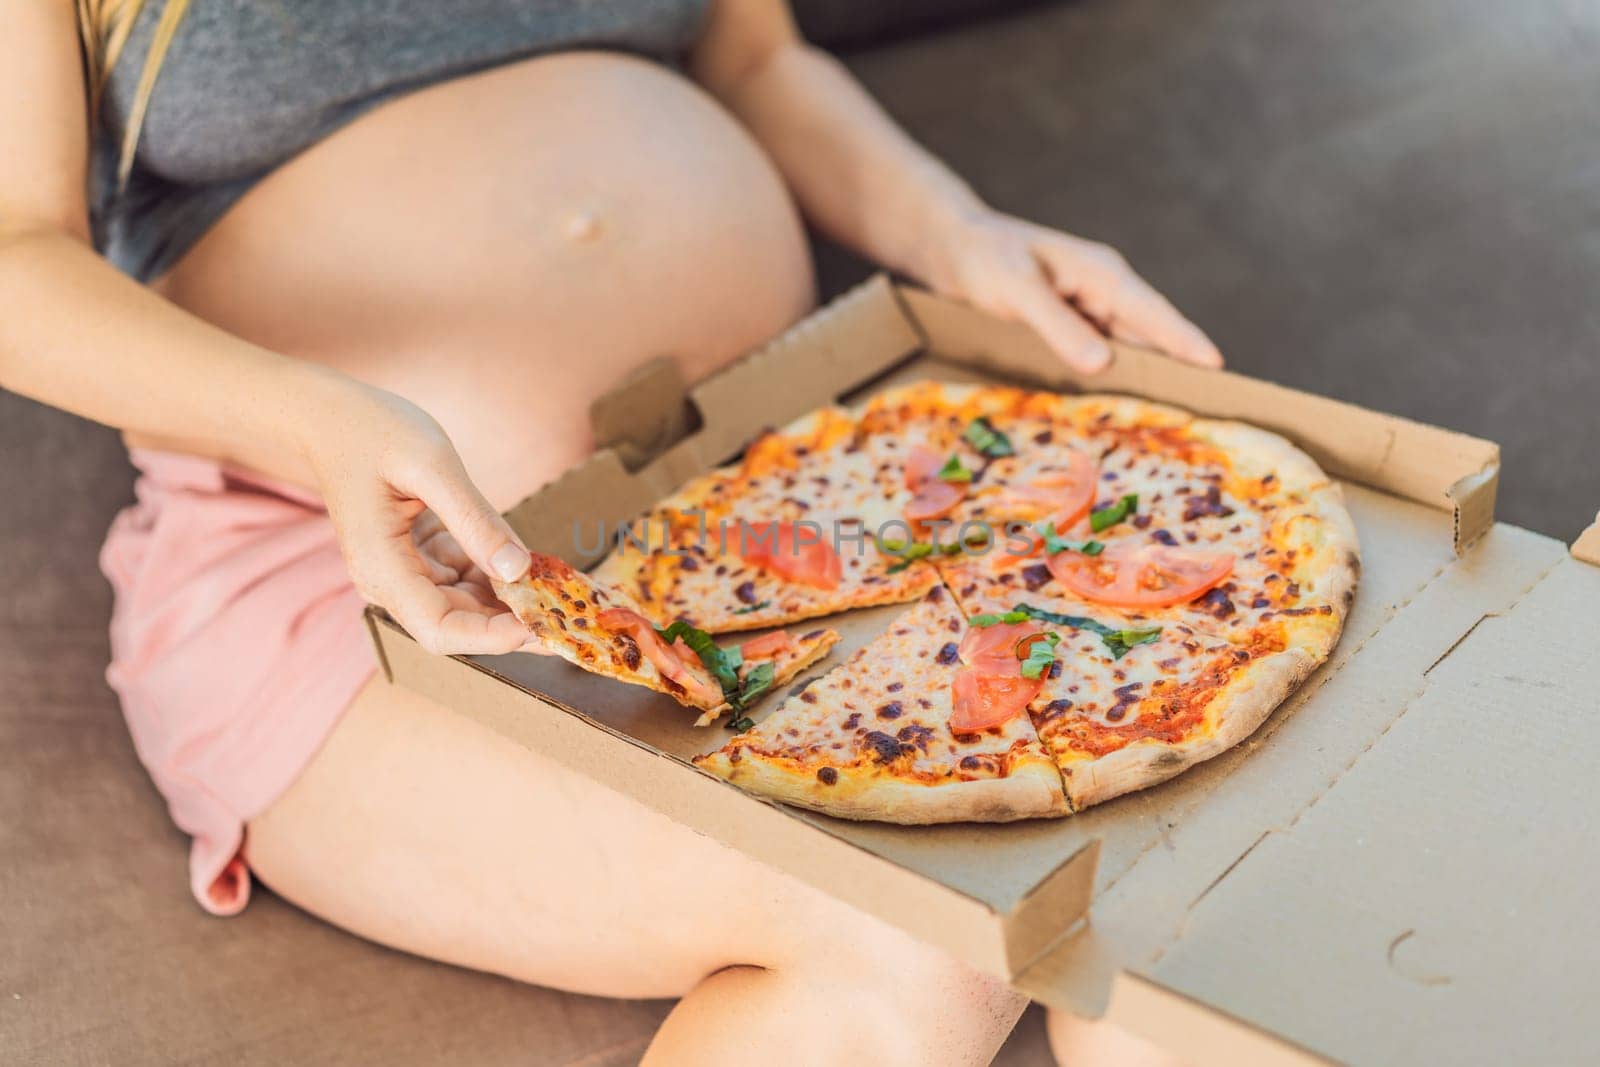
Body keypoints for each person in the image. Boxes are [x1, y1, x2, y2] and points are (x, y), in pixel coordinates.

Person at [1, 1, 1220, 1062]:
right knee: (915, 928)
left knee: (1186, 917)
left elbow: (755, 60)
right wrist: (315, 416)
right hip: (355, 569)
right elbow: (14, 254)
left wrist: (955, 232)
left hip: (782, 521)